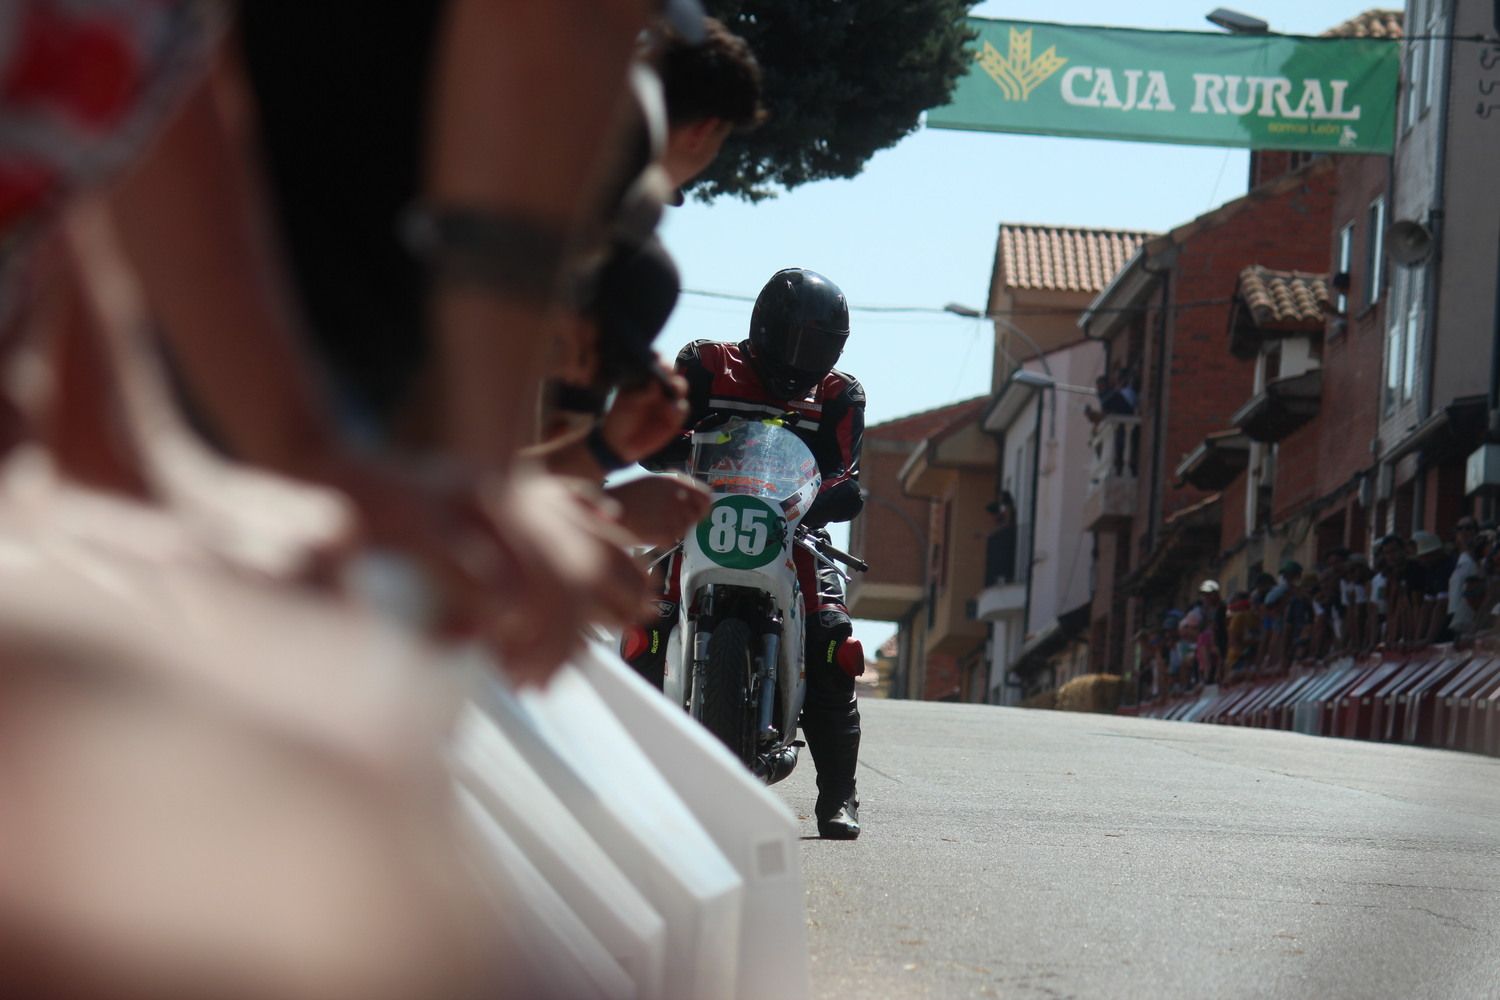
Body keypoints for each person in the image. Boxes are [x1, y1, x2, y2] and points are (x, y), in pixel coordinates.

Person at [627, 267, 867, 839]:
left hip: (791, 532)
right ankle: (625, 771)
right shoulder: (707, 364)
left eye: (823, 348)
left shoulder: (838, 394)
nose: (808, 359)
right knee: (644, 621)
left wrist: (835, 497)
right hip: (697, 520)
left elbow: (842, 473)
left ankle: (839, 796)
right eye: (800, 342)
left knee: (834, 637)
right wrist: (662, 447)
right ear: (765, 325)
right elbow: (663, 429)